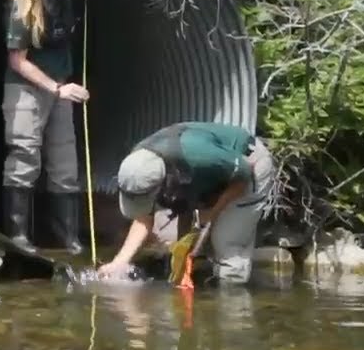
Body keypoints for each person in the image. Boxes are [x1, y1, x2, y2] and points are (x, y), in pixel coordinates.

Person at [1, 0, 94, 255]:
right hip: (27, 86)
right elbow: (18, 61)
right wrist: (56, 88)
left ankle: (68, 238)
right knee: (25, 154)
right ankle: (18, 235)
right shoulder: (23, 7)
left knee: (65, 159)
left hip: (62, 83)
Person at [97, 121, 276, 285]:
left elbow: (243, 175)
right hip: (213, 174)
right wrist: (119, 263)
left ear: (162, 182)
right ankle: (199, 275)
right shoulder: (138, 166)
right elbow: (145, 217)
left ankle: (232, 302)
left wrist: (212, 213)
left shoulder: (197, 155)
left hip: (249, 165)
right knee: (180, 247)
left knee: (225, 241)